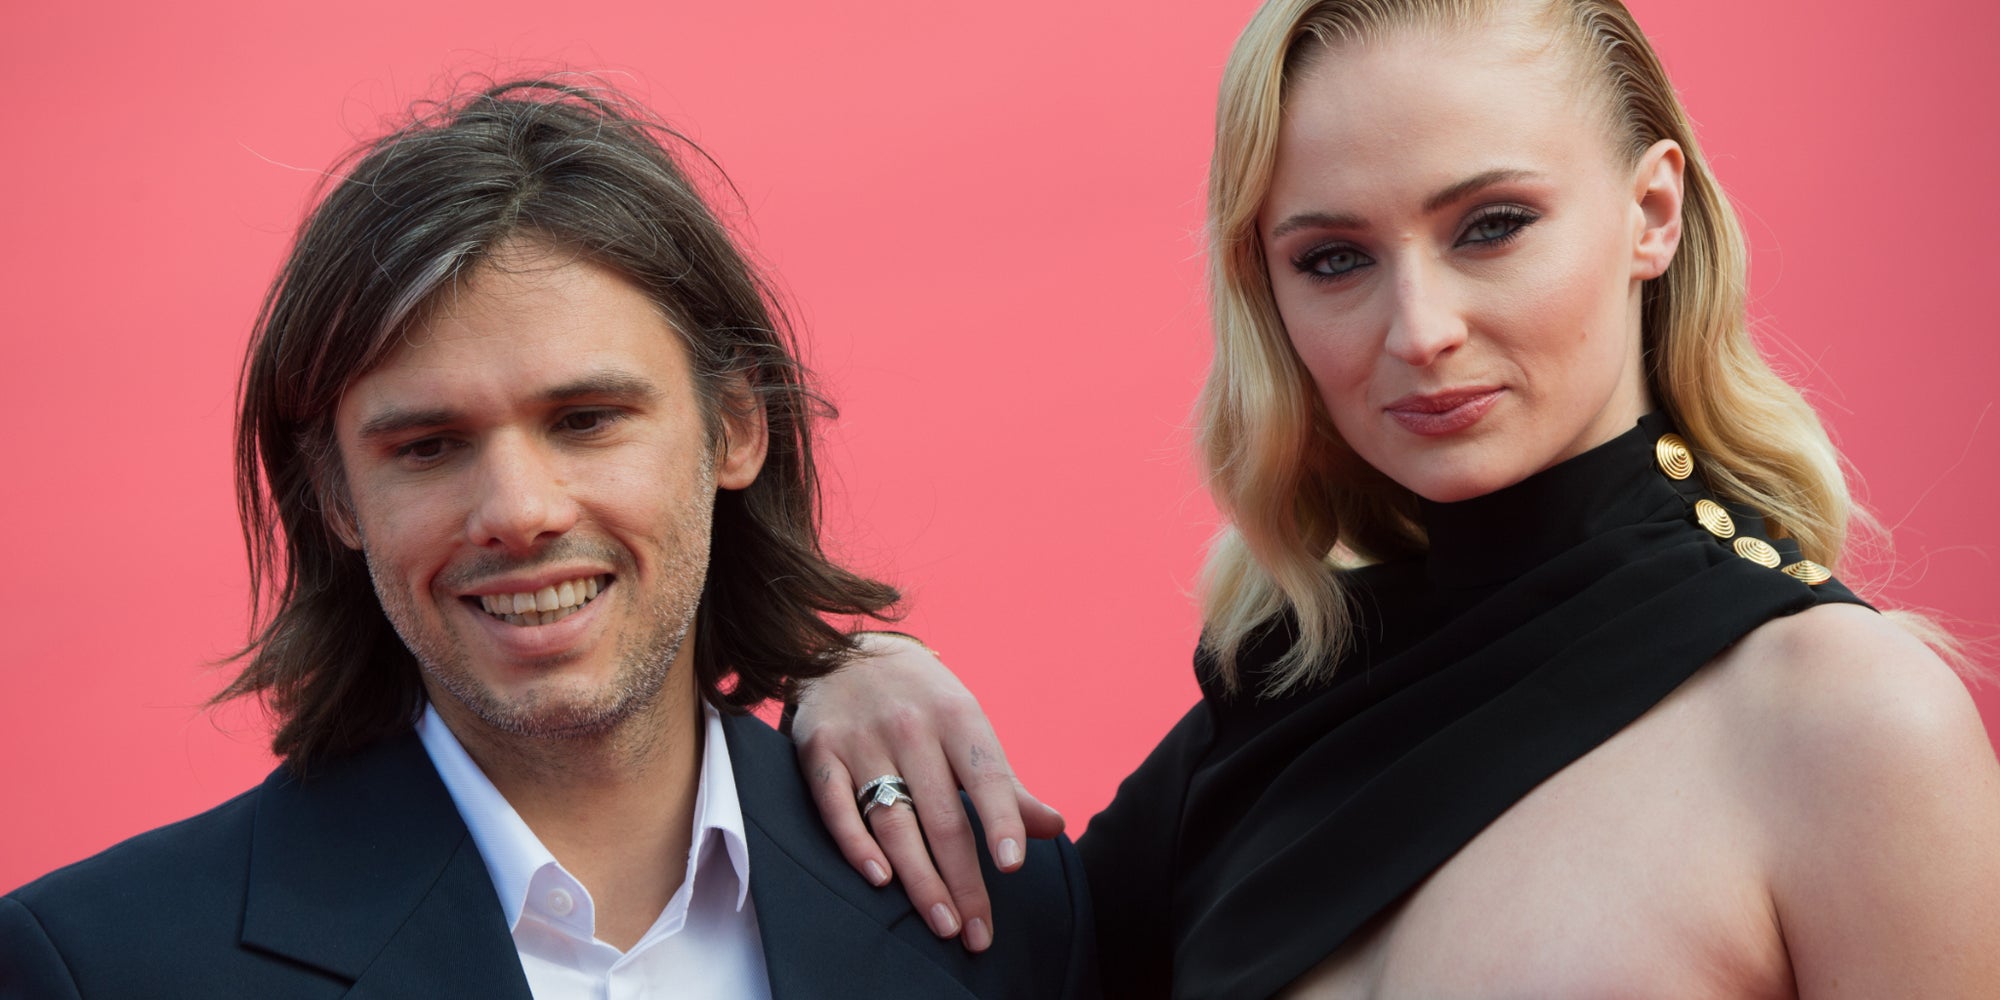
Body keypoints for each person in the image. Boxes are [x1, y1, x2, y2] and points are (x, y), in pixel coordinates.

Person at [787, 1, 2000, 996]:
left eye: (1490, 226)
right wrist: (854, 677)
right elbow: (944, 960)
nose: (1417, 331)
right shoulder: (1267, 718)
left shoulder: (1846, 720)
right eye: (1333, 259)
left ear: (1650, 214)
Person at [0, 80, 1096, 1000]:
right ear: (335, 495)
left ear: (733, 428)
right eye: (428, 446)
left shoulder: (1008, 917)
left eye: (585, 420)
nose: (518, 510)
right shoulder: (98, 968)